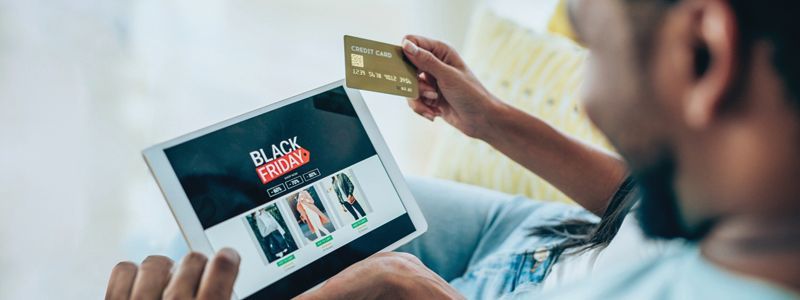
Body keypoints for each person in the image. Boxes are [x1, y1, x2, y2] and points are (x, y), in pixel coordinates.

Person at [105, 0, 800, 298]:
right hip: (562, 240)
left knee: (196, 257)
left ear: (702, 54)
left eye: (592, 35)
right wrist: (488, 118)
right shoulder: (741, 215)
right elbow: (635, 202)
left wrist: (403, 287)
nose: (588, 94)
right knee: (209, 230)